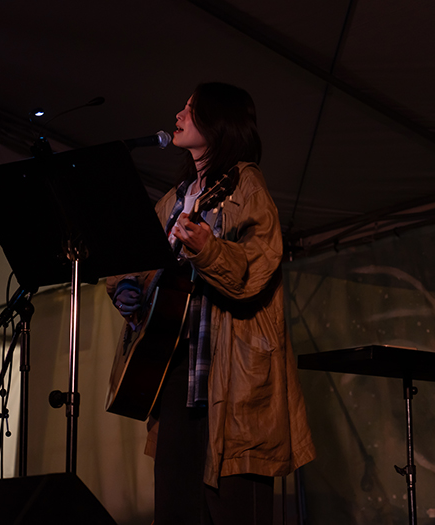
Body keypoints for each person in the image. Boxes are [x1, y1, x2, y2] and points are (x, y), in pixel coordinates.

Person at [106, 82, 315, 525]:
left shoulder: (246, 186)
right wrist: (125, 285)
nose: (178, 115)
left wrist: (209, 249)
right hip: (175, 374)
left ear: (217, 122)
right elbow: (134, 256)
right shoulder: (175, 197)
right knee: (177, 510)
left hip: (233, 378)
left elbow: (256, 268)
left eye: (190, 108)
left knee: (235, 511)